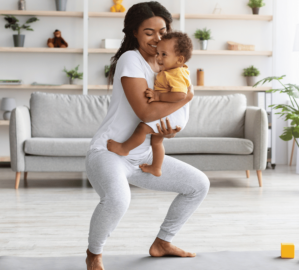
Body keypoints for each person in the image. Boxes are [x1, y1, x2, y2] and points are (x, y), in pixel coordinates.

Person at [85, 2, 210, 270]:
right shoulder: (131, 59)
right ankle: (94, 254)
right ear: (134, 33)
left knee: (198, 184)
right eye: (149, 32)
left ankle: (162, 243)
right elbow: (145, 110)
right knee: (118, 200)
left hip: (143, 155)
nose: (157, 39)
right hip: (109, 152)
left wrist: (169, 130)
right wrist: (186, 97)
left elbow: (160, 116)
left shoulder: (168, 64)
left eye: (162, 31)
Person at [107, 31, 193, 177]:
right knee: (157, 142)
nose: (158, 58)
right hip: (174, 114)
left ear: (179, 60)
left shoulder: (176, 74)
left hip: (173, 114)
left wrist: (158, 95)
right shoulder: (173, 70)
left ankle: (124, 148)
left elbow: (181, 95)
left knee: (142, 128)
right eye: (158, 53)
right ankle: (156, 167)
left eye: (163, 55)